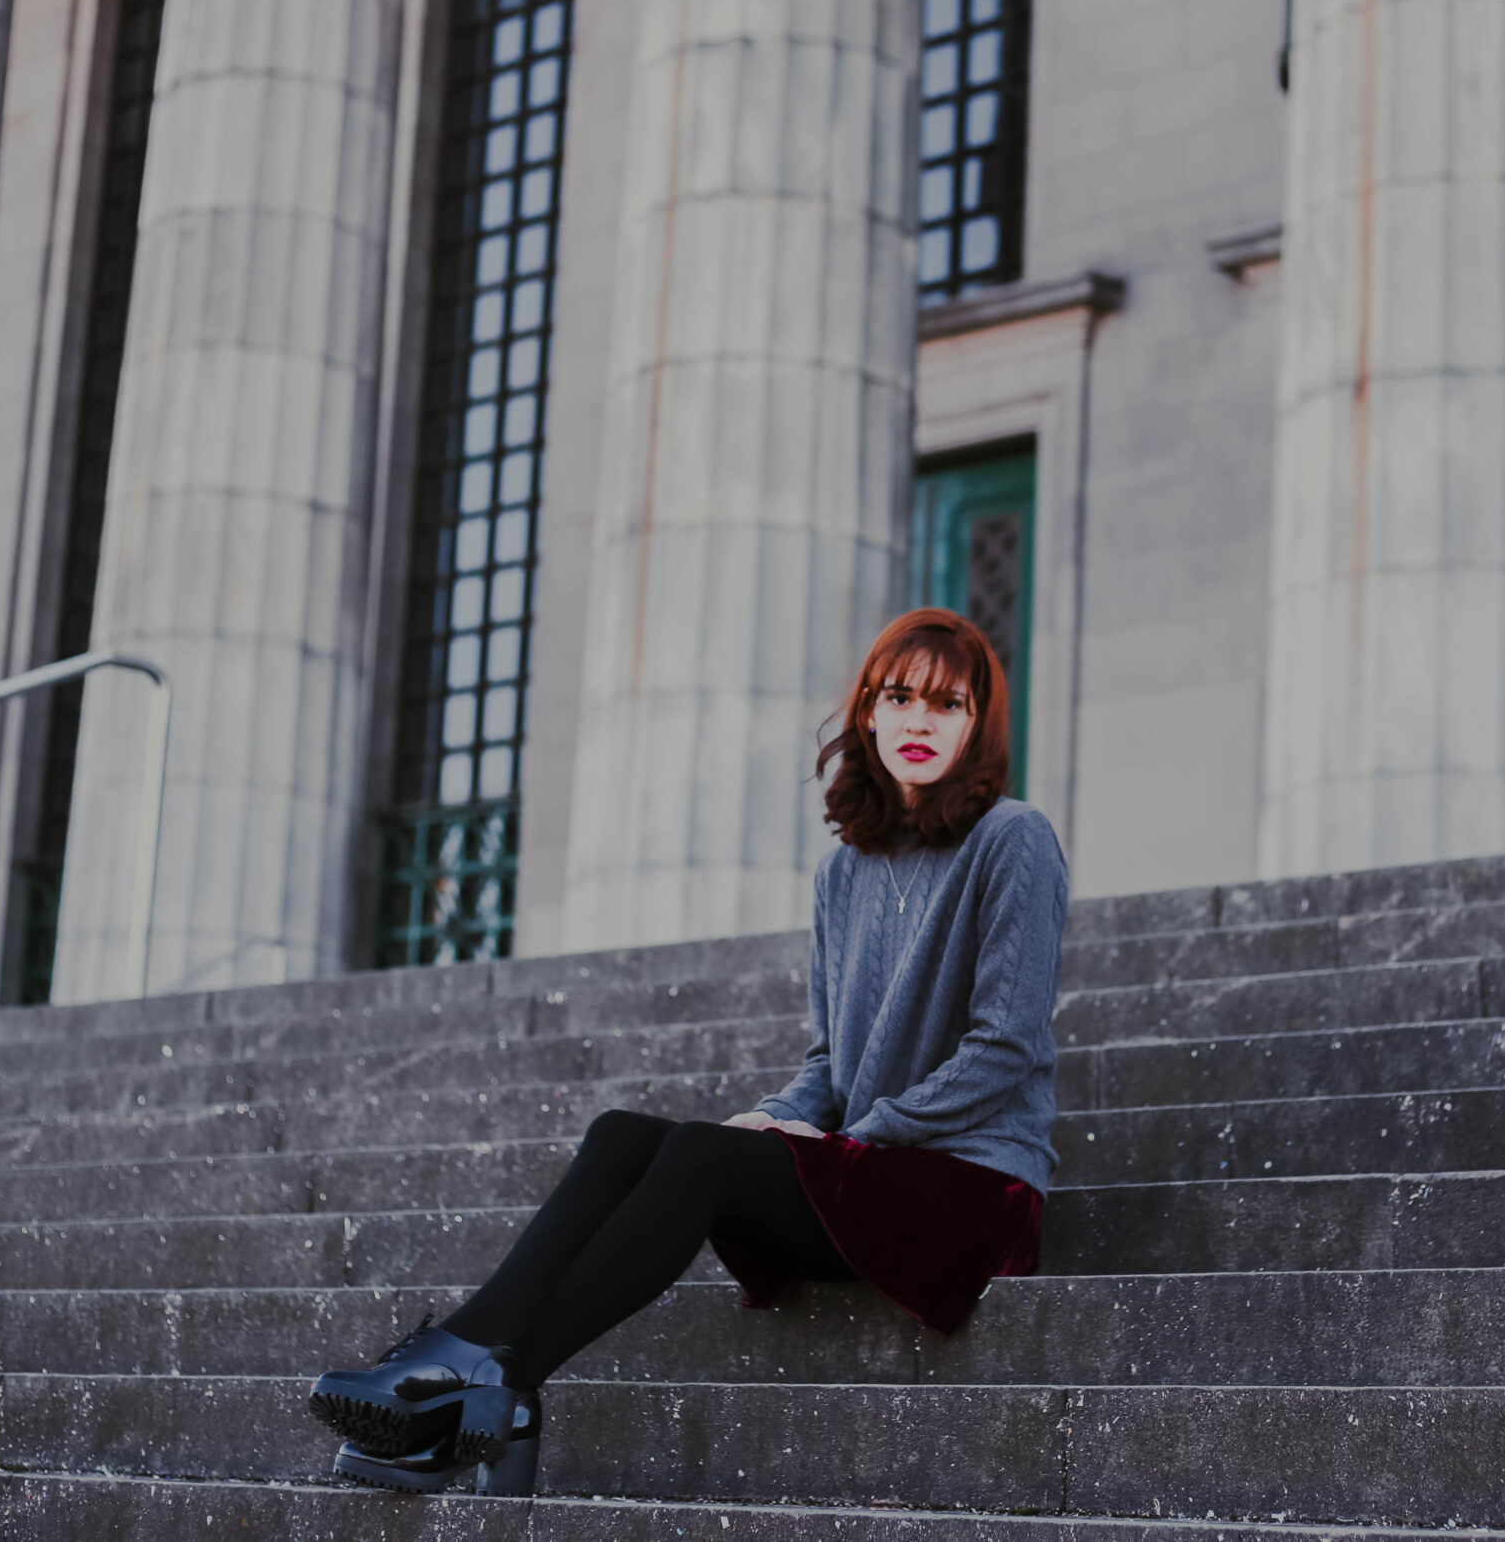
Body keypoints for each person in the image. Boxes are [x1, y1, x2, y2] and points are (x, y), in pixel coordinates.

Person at [308, 608, 1070, 1494]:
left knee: (705, 1157)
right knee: (626, 1133)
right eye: (900, 697)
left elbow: (1006, 1046)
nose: (919, 721)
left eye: (948, 704)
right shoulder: (844, 872)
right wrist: (780, 1118)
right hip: (871, 1167)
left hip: (974, 1182)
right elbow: (830, 1065)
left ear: (979, 725)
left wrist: (862, 1133)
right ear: (867, 712)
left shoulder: (1014, 839)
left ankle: (482, 1386)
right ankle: (476, 1366)